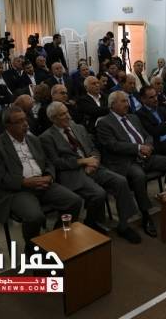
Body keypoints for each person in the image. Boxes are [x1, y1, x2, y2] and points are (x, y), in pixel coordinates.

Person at [0, 106, 82, 256]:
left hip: (43, 183)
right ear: (8, 126)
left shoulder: (33, 139)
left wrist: (49, 176)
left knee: (74, 201)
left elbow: (48, 162)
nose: (25, 124)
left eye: (25, 119)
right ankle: (31, 251)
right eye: (19, 121)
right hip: (17, 190)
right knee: (35, 217)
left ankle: (56, 239)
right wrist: (24, 182)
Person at [41, 102, 142, 243]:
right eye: (63, 114)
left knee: (120, 181)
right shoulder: (47, 137)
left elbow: (93, 148)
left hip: (93, 166)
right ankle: (91, 223)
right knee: (98, 194)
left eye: (67, 112)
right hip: (73, 173)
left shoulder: (78, 128)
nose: (68, 116)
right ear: (53, 118)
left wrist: (94, 161)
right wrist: (82, 162)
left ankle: (124, 225)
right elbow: (56, 163)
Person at [96, 91, 166, 238]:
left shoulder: (133, 117)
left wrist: (148, 146)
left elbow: (147, 135)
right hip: (126, 161)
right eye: (123, 101)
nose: (127, 104)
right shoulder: (104, 123)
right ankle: (146, 215)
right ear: (112, 105)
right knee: (139, 176)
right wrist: (138, 148)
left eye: (127, 101)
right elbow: (112, 146)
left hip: (146, 156)